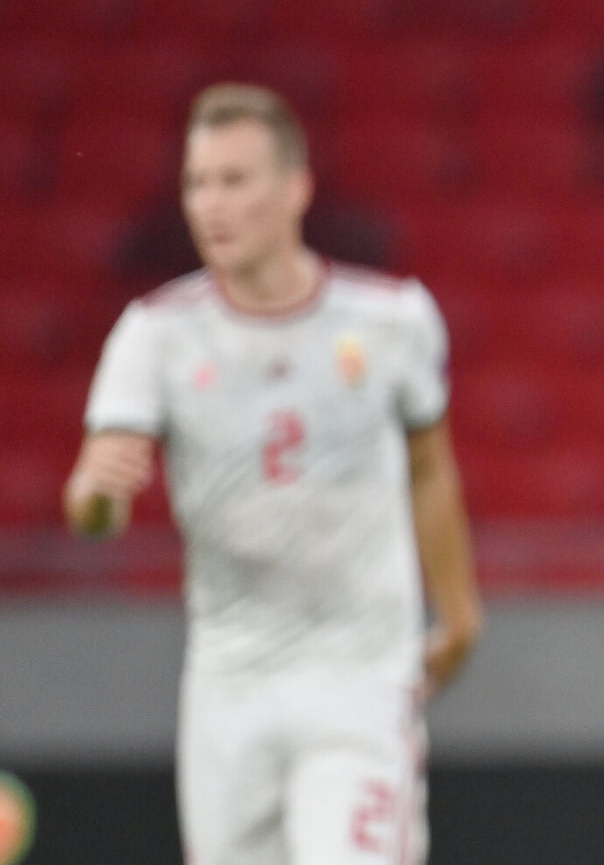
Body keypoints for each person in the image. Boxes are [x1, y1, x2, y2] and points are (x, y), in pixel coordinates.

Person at [64, 83, 483, 865]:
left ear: (295, 189)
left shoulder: (391, 321)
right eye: (197, 183)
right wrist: (96, 494)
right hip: (230, 683)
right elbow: (95, 509)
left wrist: (459, 613)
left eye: (234, 180)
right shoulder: (155, 337)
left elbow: (430, 470)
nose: (210, 205)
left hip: (358, 675)